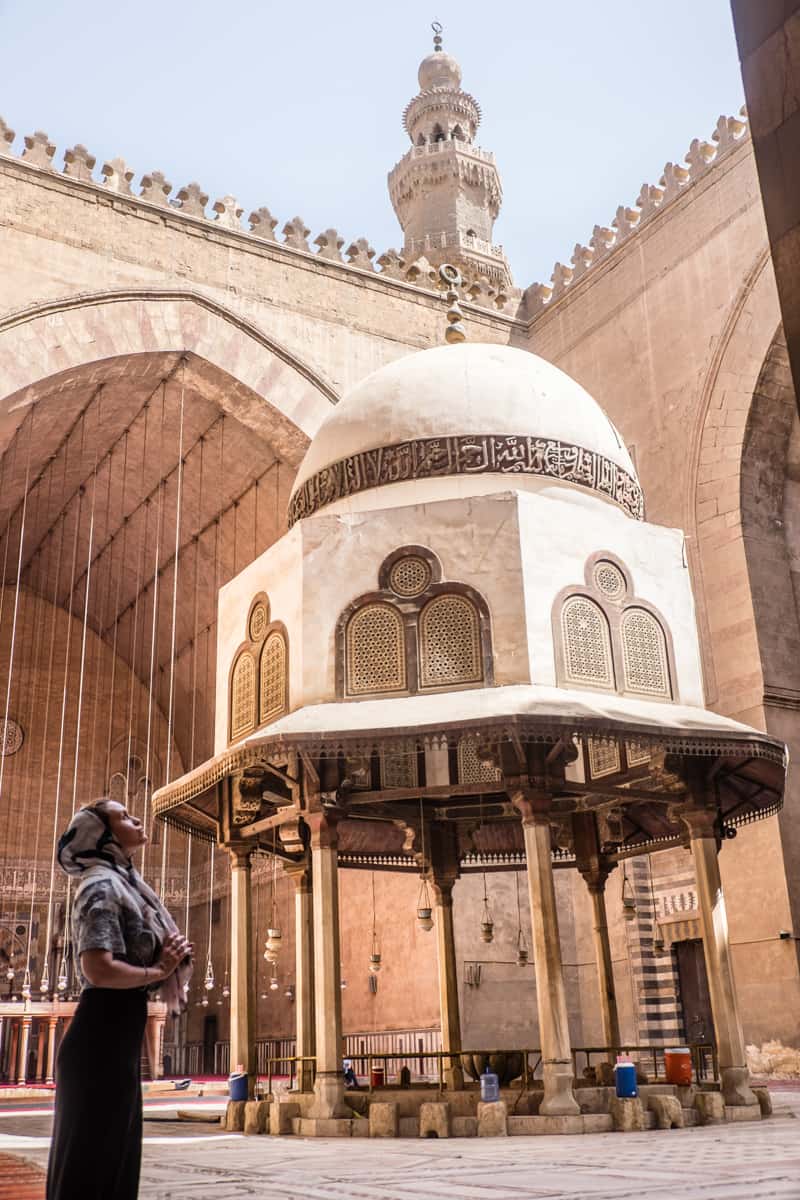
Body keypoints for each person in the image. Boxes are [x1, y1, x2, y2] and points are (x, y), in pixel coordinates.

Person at [46, 799, 193, 1200]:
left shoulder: (124, 883)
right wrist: (159, 972)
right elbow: (98, 968)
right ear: (104, 836)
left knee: (114, 1163)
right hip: (100, 1043)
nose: (137, 819)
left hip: (115, 1041)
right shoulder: (100, 885)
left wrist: (167, 955)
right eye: (125, 817)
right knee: (92, 1167)